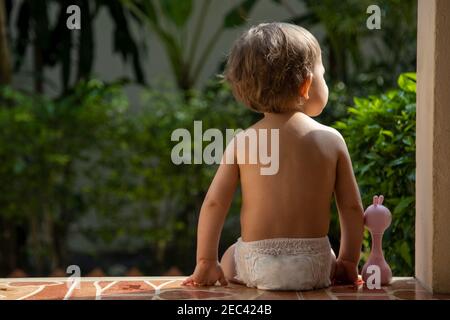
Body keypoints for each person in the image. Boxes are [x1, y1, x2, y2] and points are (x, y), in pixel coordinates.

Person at [182, 22, 364, 290]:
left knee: (231, 254)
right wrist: (348, 261)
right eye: (323, 75)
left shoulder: (243, 142)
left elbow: (214, 204)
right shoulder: (331, 140)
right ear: (305, 86)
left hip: (257, 263)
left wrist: (207, 260)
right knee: (330, 255)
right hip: (314, 265)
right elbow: (351, 208)